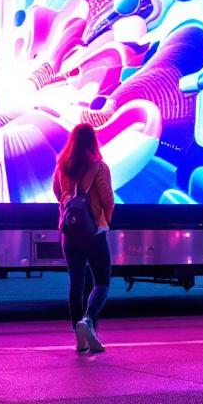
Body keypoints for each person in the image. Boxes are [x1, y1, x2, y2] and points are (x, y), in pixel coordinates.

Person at [52, 123, 115, 354]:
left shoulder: (62, 166)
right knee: (101, 282)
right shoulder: (100, 168)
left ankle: (78, 339)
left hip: (69, 233)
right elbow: (108, 198)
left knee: (76, 284)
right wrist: (105, 219)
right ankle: (88, 321)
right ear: (92, 142)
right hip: (94, 232)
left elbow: (58, 193)